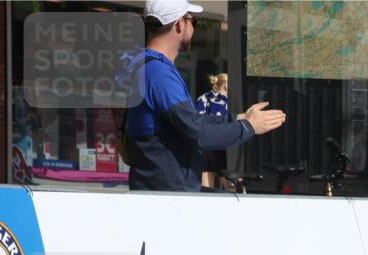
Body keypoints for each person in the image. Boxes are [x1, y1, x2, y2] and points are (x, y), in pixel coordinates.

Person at [119, 0, 285, 191]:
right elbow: (198, 133)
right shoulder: (158, 74)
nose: (194, 27)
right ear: (179, 24)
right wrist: (249, 127)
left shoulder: (149, 68)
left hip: (162, 189)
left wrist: (238, 119)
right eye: (193, 21)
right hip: (169, 194)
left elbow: (191, 121)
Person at [196, 73, 230, 190]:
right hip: (220, 144)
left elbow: (197, 121)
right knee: (229, 184)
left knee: (207, 188)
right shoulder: (227, 101)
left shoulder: (203, 98)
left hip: (205, 145)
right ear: (226, 86)